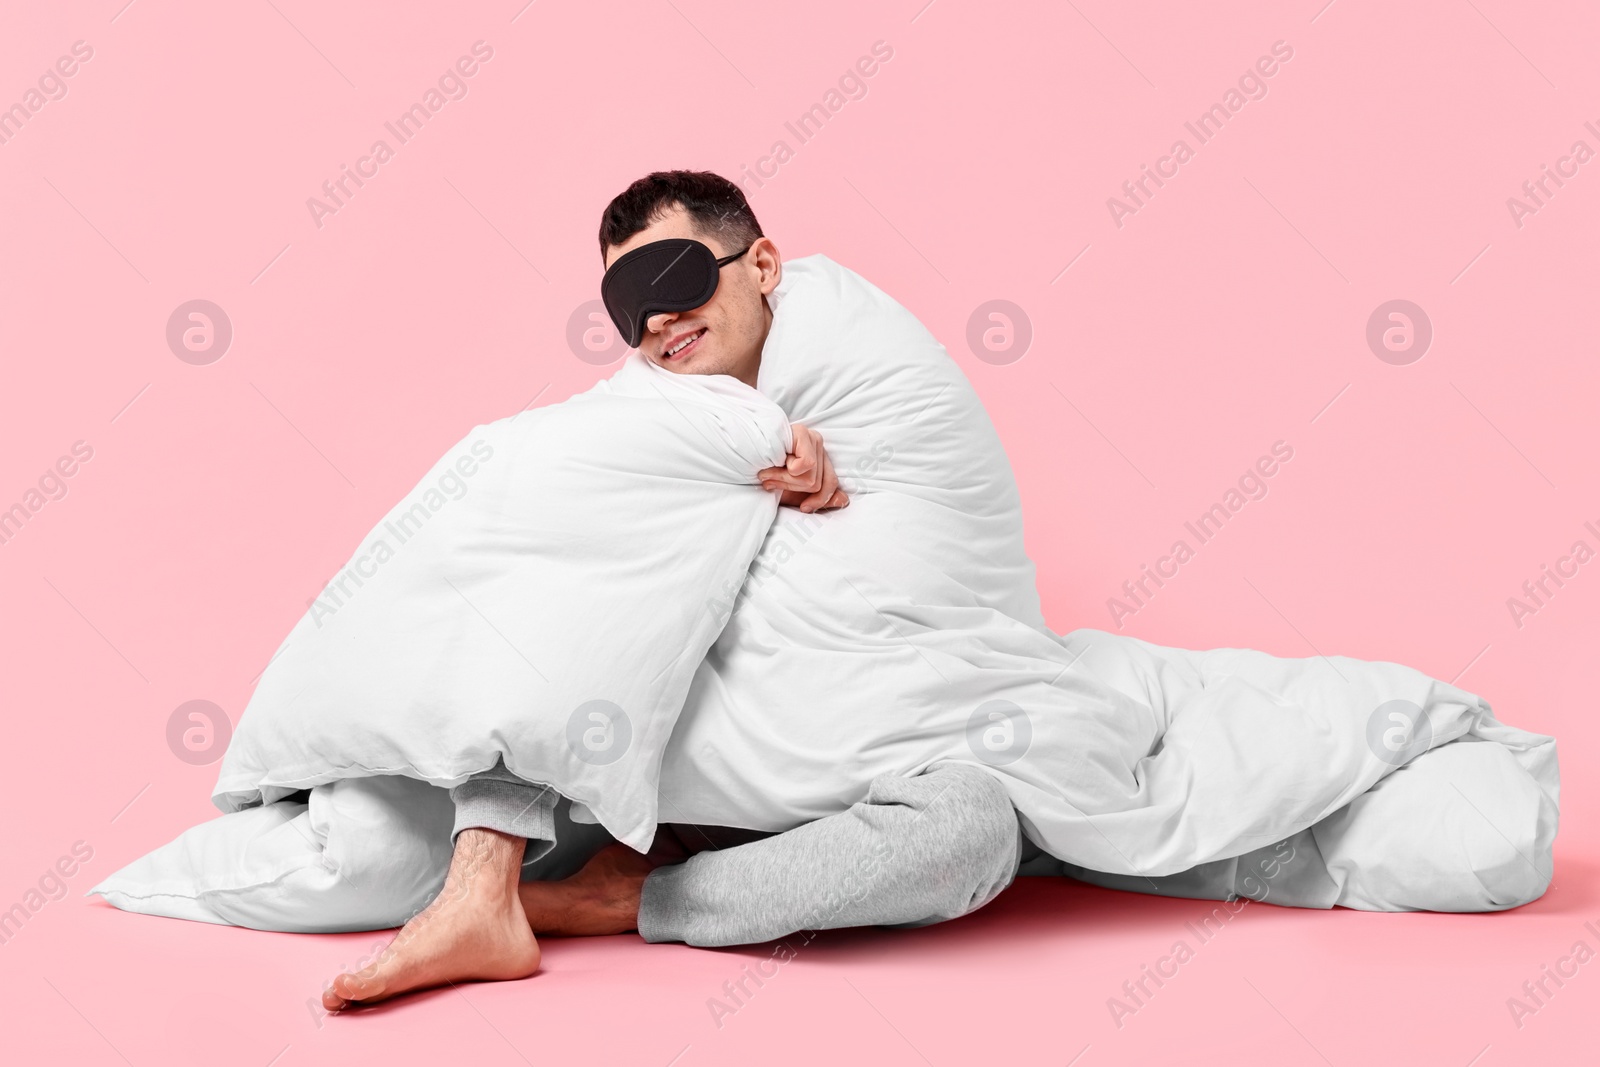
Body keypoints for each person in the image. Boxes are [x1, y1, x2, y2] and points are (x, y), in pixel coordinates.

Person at [322, 172, 1027, 1011]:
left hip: (845, 773)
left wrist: (788, 495)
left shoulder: (867, 371)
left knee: (973, 829)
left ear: (761, 264)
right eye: (629, 306)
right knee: (564, 566)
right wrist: (724, 483)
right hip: (660, 774)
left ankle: (621, 898)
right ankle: (481, 888)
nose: (656, 321)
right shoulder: (642, 420)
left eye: (673, 278)